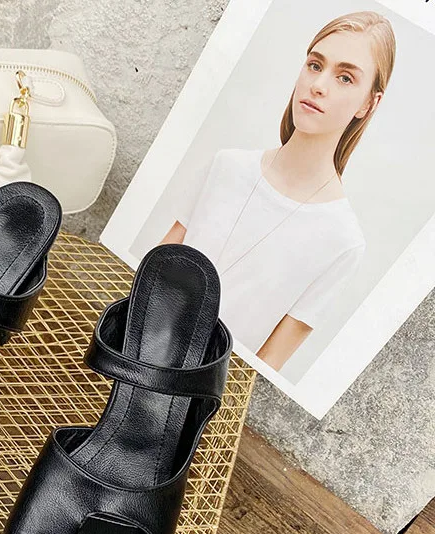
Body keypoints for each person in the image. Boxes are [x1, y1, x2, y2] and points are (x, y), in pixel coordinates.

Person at [161, 11, 396, 371]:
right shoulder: (226, 167)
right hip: (131, 356)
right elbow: (152, 276)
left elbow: (265, 365)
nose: (318, 85)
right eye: (315, 65)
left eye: (345, 77)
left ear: (369, 104)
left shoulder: (342, 242)